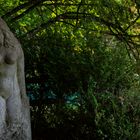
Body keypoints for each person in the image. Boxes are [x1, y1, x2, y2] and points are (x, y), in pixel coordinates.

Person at [0, 17, 31, 140]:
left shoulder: (15, 48)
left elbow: (20, 73)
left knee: (16, 122)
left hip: (13, 91)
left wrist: (24, 96)